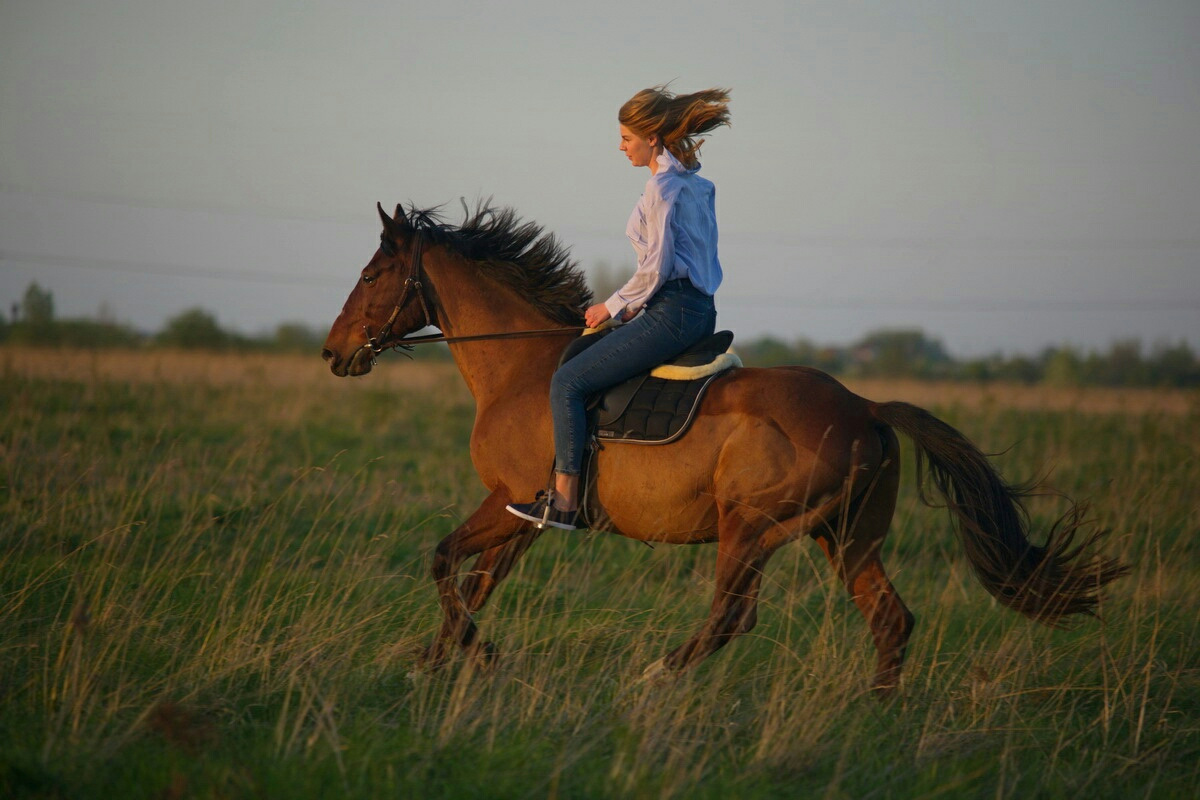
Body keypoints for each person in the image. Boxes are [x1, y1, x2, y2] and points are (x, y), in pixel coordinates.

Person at [506, 85, 731, 531]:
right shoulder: (697, 184)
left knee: (568, 381)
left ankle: (565, 501)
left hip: (673, 311)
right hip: (697, 308)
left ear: (651, 137)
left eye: (626, 137)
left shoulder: (662, 188)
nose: (621, 146)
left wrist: (611, 306)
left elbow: (657, 266)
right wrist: (631, 311)